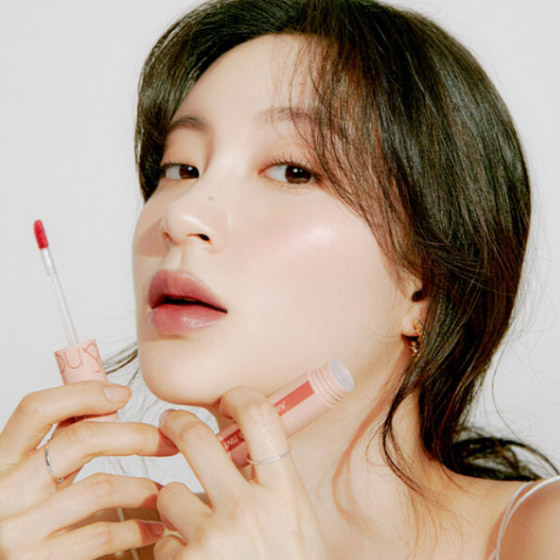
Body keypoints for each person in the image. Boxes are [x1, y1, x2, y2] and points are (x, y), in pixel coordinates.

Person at [0, 0, 558, 558]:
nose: (180, 215)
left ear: (426, 286)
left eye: (293, 171)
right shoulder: (86, 546)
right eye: (181, 168)